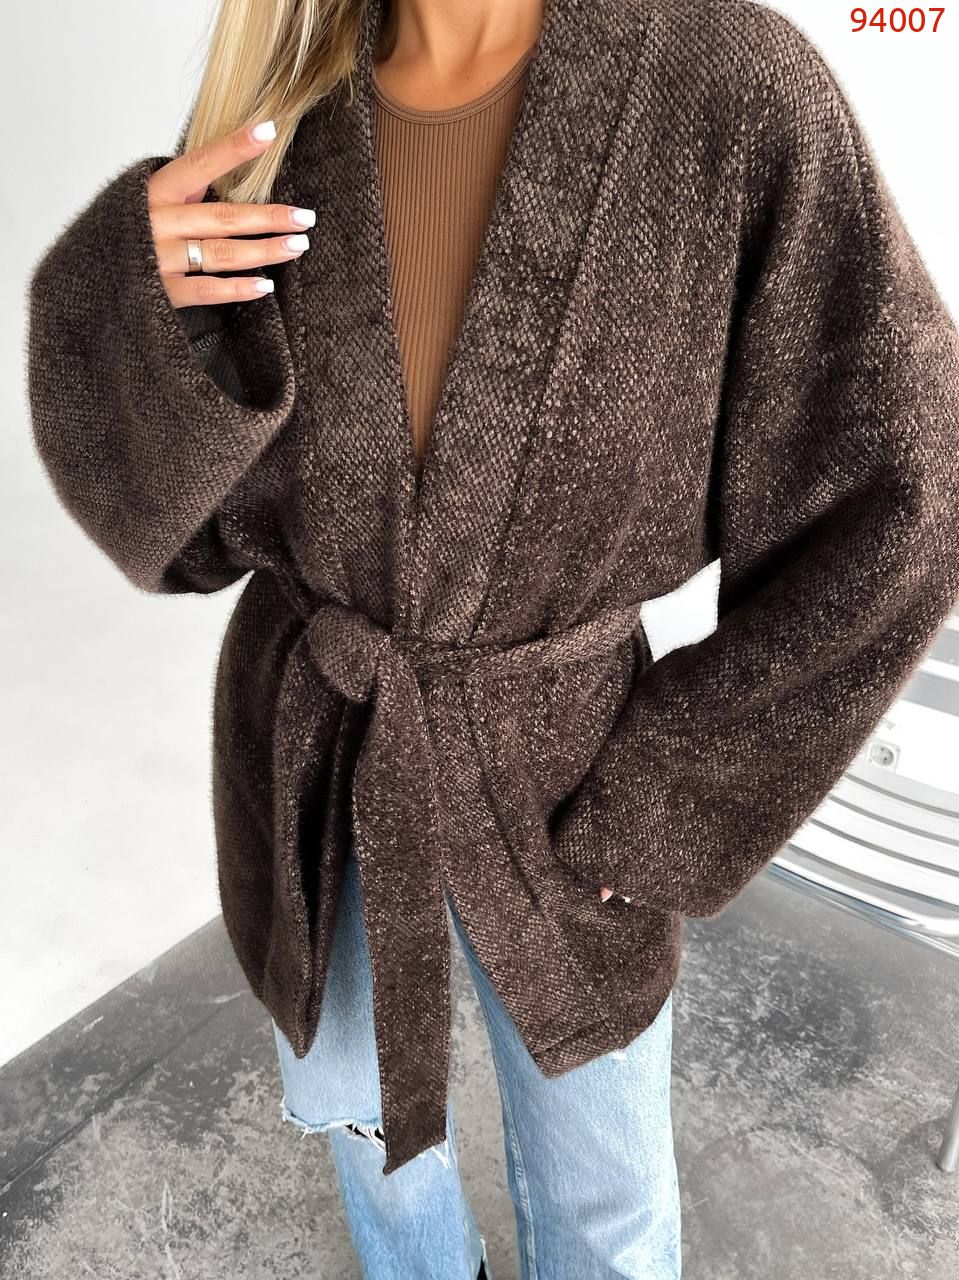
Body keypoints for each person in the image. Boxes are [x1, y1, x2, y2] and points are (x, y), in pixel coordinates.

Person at [25, 0, 959, 1276]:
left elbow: (904, 488)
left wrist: (677, 794)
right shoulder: (280, 111)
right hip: (324, 735)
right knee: (366, 1122)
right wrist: (137, 317)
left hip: (568, 756)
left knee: (603, 1176)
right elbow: (190, 545)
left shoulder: (731, 90)